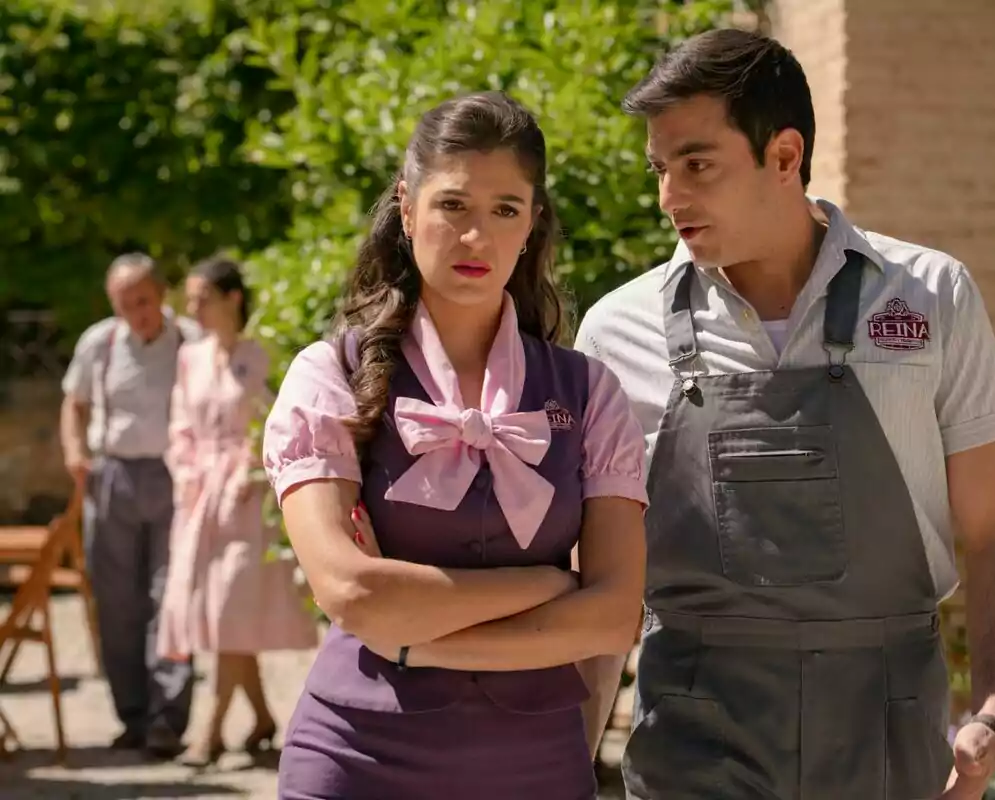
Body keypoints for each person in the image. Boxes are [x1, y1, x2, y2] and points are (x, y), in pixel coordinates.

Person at [575, 29, 995, 800]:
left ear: (785, 157)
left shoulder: (930, 296)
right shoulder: (616, 333)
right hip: (694, 741)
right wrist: (564, 769)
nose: (668, 197)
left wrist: (993, 711)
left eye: (697, 164)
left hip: (889, 735)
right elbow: (600, 588)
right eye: (660, 168)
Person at [261, 90, 648, 799]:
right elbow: (350, 591)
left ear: (532, 224)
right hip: (355, 757)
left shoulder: (591, 392)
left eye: (505, 210)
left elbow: (617, 614)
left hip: (537, 767)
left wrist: (414, 637)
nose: (478, 238)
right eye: (453, 207)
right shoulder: (330, 376)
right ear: (407, 210)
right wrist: (547, 586)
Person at [156, 255, 319, 768]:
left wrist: (252, 468)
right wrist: (187, 475)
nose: (193, 308)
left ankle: (208, 730)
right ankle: (264, 717)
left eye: (203, 298)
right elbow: (180, 423)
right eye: (191, 299)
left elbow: (277, 421)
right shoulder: (191, 357)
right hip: (200, 498)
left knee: (228, 609)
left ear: (233, 299)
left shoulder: (263, 354)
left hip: (249, 498)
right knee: (215, 613)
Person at [59, 253, 200, 756]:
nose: (135, 311)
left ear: (161, 294)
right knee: (117, 602)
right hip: (113, 474)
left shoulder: (190, 340)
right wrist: (76, 453)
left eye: (141, 300)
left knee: (169, 597)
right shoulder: (100, 342)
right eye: (124, 303)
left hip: (174, 475)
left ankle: (168, 718)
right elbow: (73, 404)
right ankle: (132, 715)